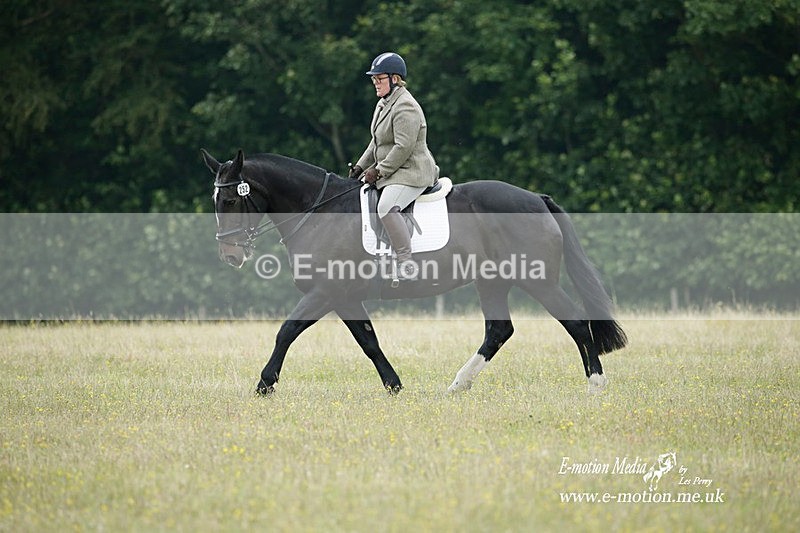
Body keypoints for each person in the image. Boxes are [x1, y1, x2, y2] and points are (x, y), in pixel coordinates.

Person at [349, 52, 439, 279]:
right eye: (374, 79)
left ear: (395, 79)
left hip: (412, 172)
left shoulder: (405, 106)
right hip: (395, 171)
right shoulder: (383, 104)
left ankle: (406, 263)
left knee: (386, 207)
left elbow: (403, 147)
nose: (375, 83)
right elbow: (376, 142)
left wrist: (378, 171)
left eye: (379, 79)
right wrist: (360, 167)